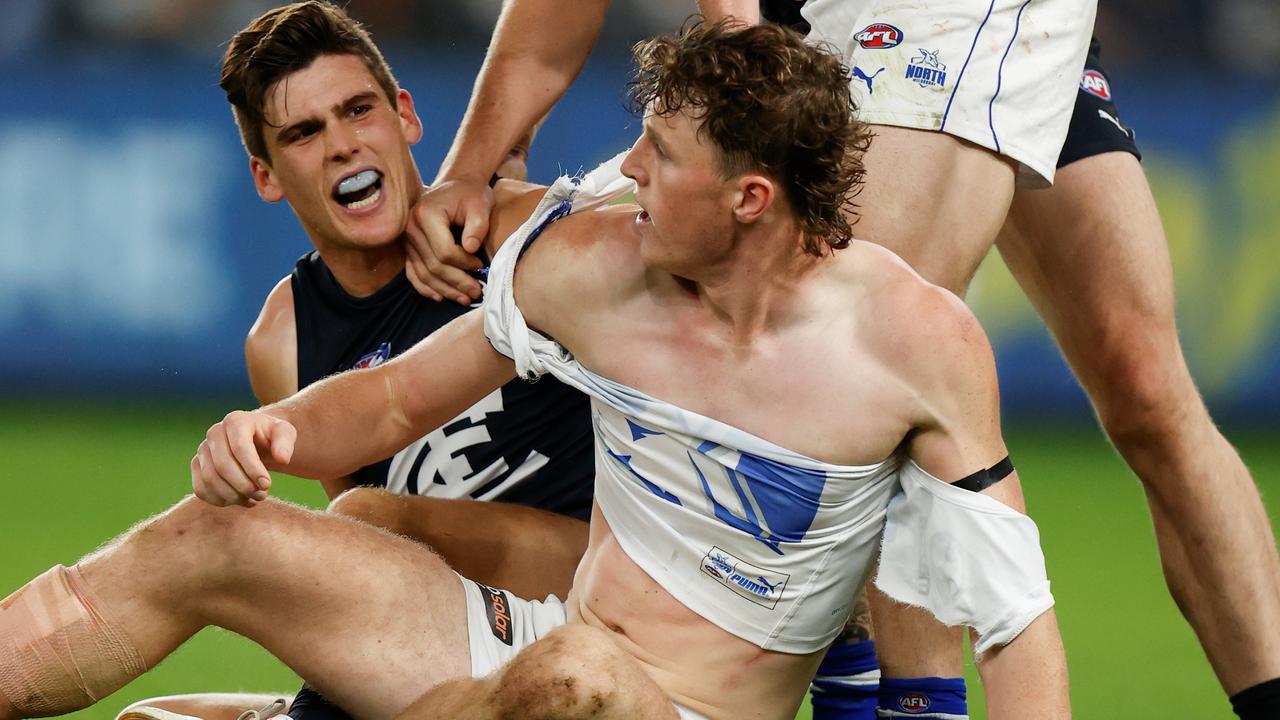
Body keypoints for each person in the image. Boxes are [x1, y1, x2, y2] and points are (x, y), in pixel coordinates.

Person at [0, 20, 1071, 720]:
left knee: (575, 683)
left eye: (658, 156)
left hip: (668, 701)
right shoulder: (590, 267)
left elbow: (1014, 624)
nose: (625, 173)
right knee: (216, 537)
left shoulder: (912, 343)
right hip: (543, 641)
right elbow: (388, 398)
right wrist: (264, 435)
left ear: (747, 197)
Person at [405, 2, 1280, 718]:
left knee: (881, 344)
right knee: (841, 332)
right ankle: (862, 682)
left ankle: (893, 701)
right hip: (802, 21)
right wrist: (475, 161)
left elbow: (732, 50)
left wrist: (734, 91)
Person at [110, 4, 596, 720]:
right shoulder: (283, 340)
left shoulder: (504, 232)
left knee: (361, 515)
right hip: (440, 624)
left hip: (580, 589)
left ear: (405, 117)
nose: (342, 145)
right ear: (266, 177)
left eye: (358, 111)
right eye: (304, 133)